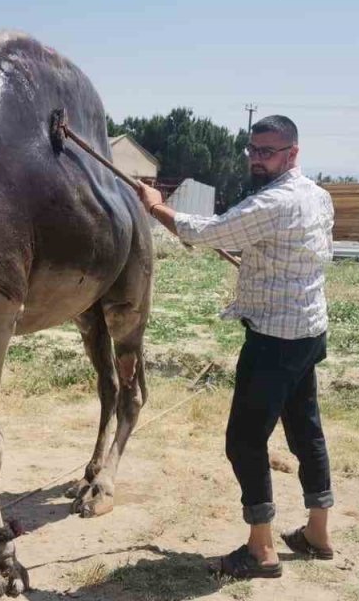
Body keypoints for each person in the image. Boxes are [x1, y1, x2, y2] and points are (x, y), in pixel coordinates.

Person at [135, 115, 335, 578]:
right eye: (252, 149)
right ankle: (317, 534)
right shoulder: (317, 195)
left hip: (275, 340)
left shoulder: (274, 201)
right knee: (306, 430)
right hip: (308, 330)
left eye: (268, 152)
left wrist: (154, 205)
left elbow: (204, 231)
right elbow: (297, 249)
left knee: (244, 440)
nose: (257, 159)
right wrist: (257, 257)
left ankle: (261, 550)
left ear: (293, 154)